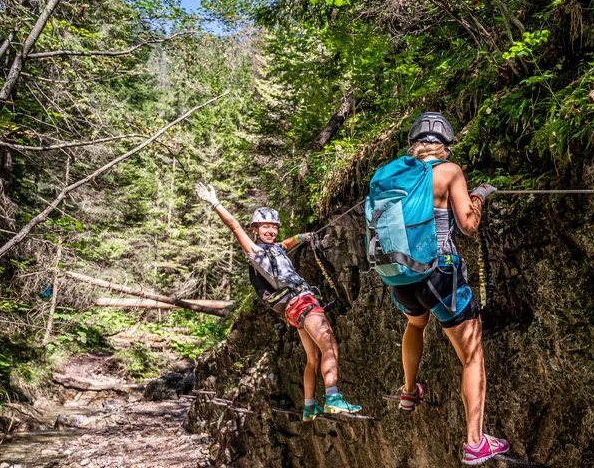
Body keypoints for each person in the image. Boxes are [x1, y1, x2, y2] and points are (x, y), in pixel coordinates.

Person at [388, 112, 508, 465]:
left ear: (413, 144)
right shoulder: (448, 171)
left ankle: (409, 392)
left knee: (415, 324)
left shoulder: (394, 174)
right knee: (472, 355)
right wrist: (480, 196)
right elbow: (468, 225)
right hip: (439, 274)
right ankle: (475, 441)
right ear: (446, 145)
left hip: (400, 277)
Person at [193, 184, 361, 422]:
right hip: (301, 301)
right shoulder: (255, 252)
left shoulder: (274, 249)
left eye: (273, 226)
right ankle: (332, 397)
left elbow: (285, 244)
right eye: (265, 226)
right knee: (329, 346)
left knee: (313, 358)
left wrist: (301, 238)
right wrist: (215, 202)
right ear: (255, 229)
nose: (270, 230)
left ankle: (309, 406)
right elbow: (234, 227)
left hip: (293, 308)